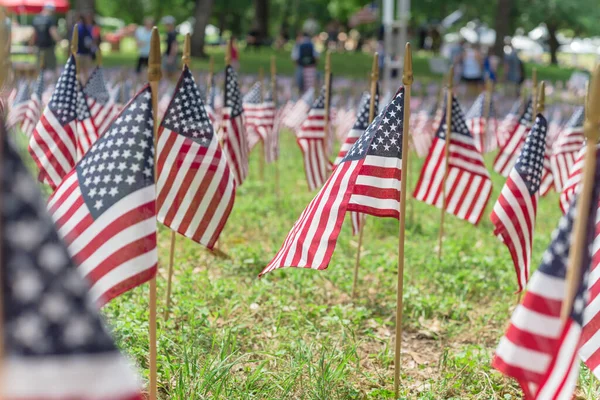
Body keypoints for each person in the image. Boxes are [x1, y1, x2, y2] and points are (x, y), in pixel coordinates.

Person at [32, 4, 60, 76]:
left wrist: (31, 44)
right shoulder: (50, 19)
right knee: (51, 67)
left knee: (39, 67)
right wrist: (60, 41)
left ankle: (40, 84)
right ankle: (50, 85)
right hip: (49, 47)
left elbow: (33, 33)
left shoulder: (36, 18)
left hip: (39, 47)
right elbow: (53, 31)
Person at [162, 16, 178, 80]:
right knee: (168, 71)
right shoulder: (170, 33)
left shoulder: (172, 33)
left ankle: (167, 85)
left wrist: (171, 56)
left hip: (170, 55)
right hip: (168, 54)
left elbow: (174, 45)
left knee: (168, 71)